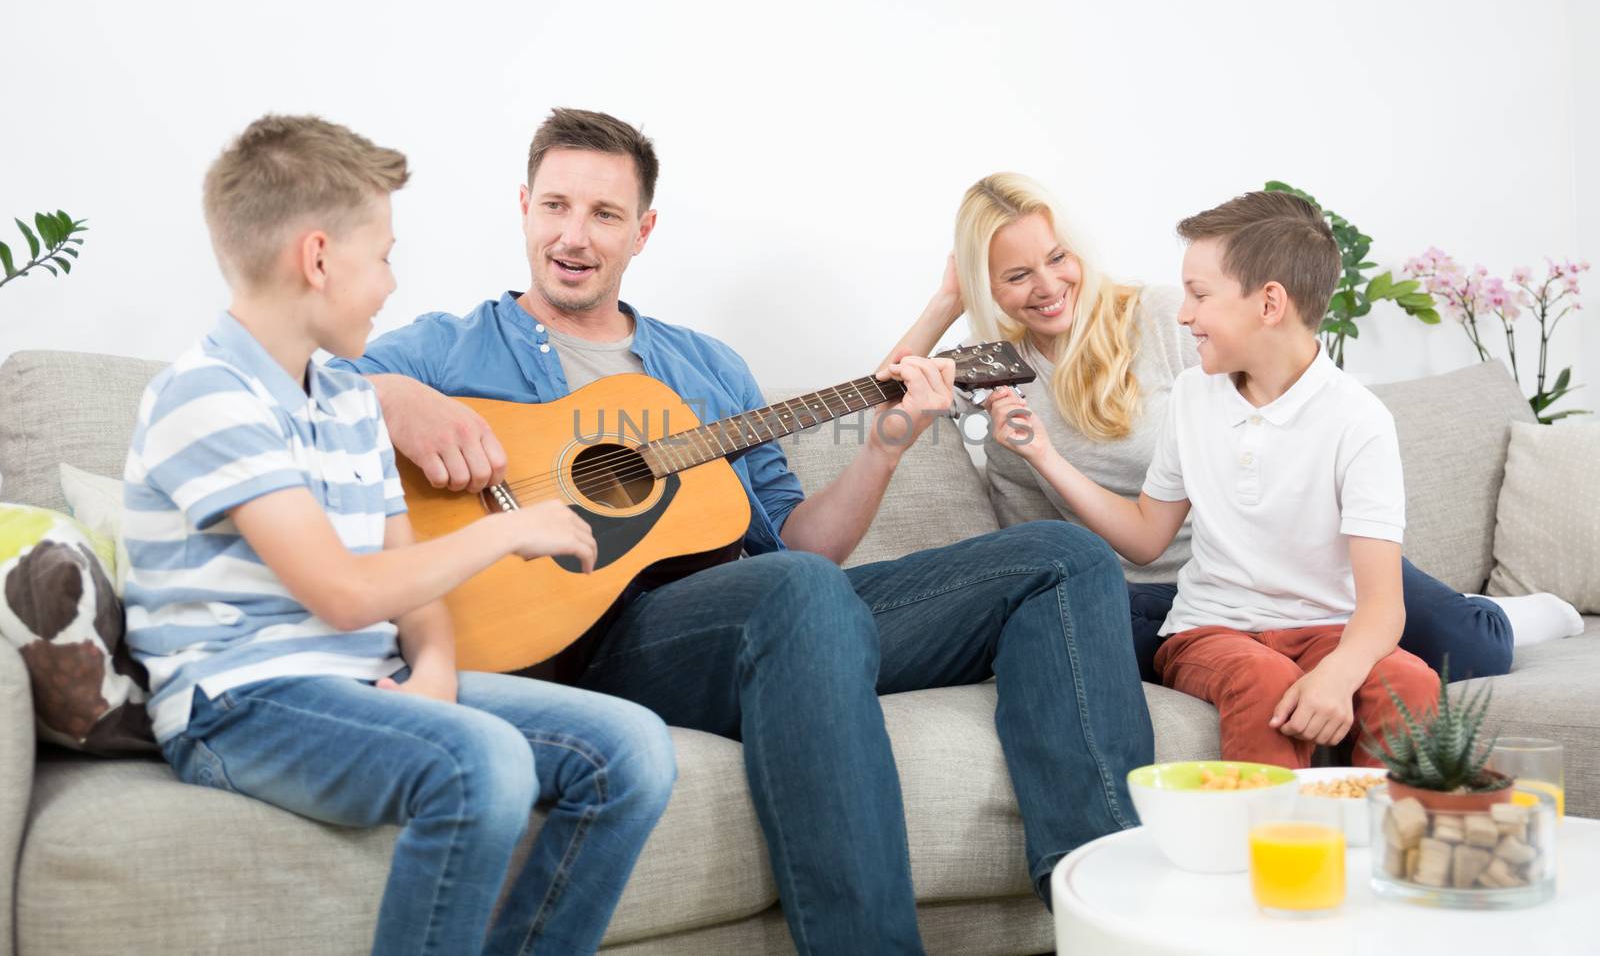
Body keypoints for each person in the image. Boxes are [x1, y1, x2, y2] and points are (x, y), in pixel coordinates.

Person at [331, 107, 1154, 953]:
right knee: (799, 595)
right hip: (593, 641)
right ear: (524, 206)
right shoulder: (446, 348)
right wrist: (393, 396)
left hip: (767, 612)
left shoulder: (708, 367)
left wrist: (886, 441)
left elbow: (803, 545)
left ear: (643, 229)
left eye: (605, 214)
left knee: (1062, 557)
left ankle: (1109, 919)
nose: (574, 235)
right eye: (556, 206)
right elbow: (297, 387)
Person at [122, 114, 676, 956]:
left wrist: (438, 672)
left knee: (633, 748)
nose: (390, 283)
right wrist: (508, 531)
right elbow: (343, 591)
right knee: (482, 765)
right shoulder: (206, 396)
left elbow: (405, 572)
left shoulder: (347, 400)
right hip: (239, 705)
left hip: (363, 679)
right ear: (316, 259)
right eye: (381, 255)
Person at [889, 173, 1582, 685]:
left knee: (1475, 648)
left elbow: (1291, 409)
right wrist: (947, 301)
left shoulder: (1164, 318)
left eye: (1057, 257)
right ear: (987, 287)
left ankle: (1512, 612)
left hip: (1280, 561)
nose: (1048, 284)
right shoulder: (988, 369)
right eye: (1014, 275)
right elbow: (882, 405)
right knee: (1065, 637)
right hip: (1161, 593)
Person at [981, 189, 1441, 766]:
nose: (1182, 313)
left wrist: (1338, 674)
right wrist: (1043, 453)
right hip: (1210, 631)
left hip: (1324, 627)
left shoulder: (1360, 421)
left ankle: (1384, 851)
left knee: (1413, 684)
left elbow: (1381, 605)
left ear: (1269, 304)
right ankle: (1262, 853)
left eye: (1199, 295)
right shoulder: (1194, 395)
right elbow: (1149, 537)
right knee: (1263, 678)